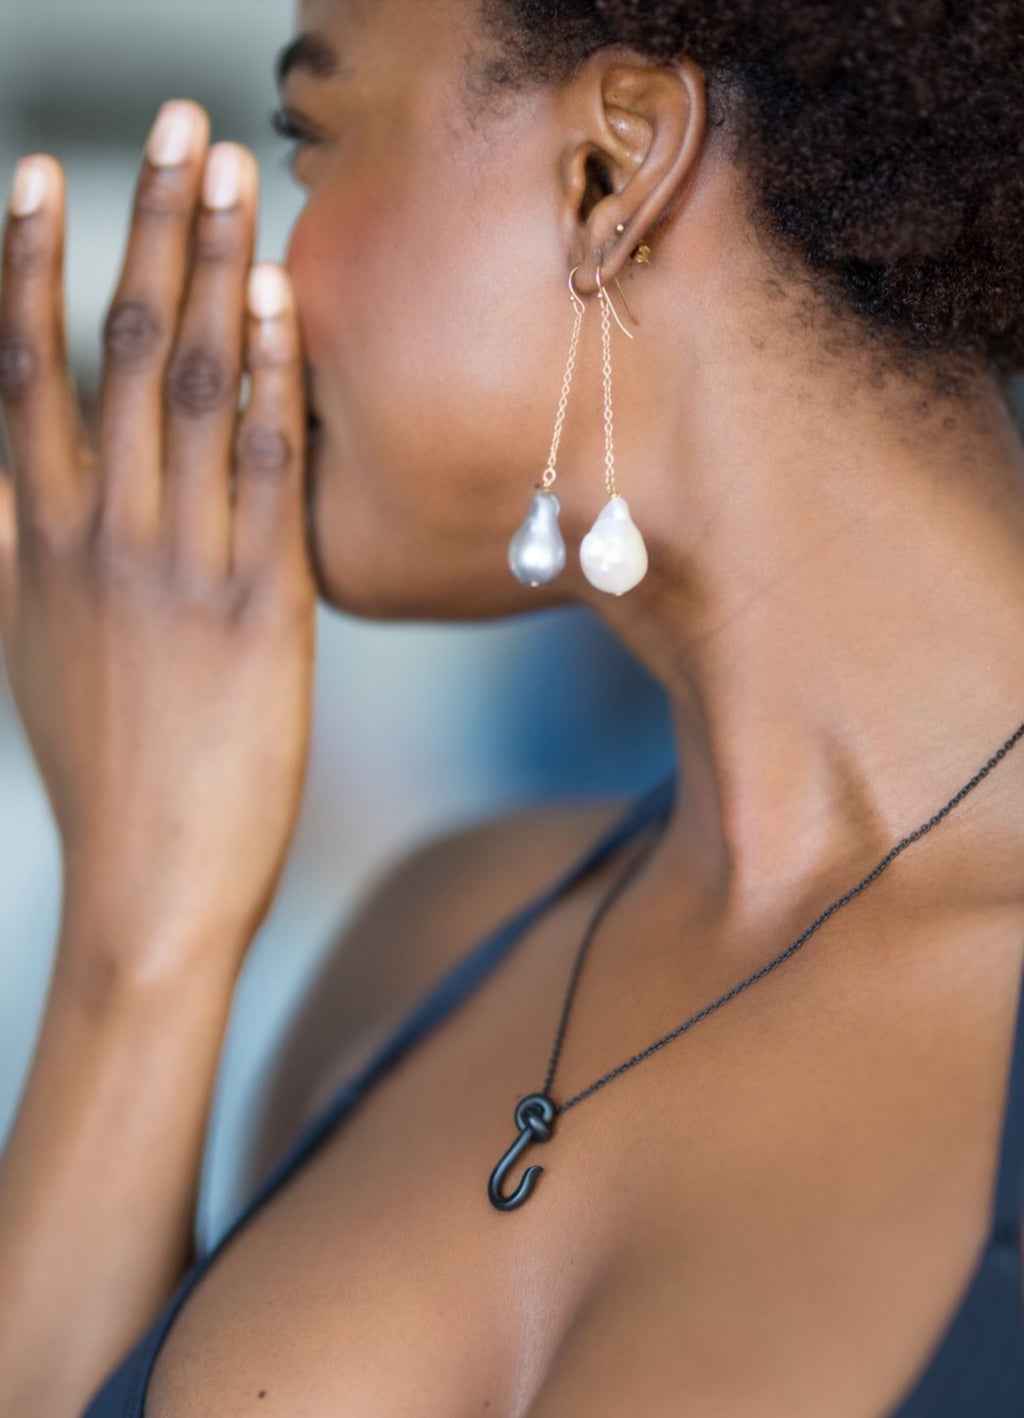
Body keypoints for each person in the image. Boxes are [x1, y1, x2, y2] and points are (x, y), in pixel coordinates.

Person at [1, 0, 1023, 1412]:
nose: (262, 300)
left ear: (610, 179)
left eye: (309, 142)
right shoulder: (414, 961)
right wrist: (139, 929)